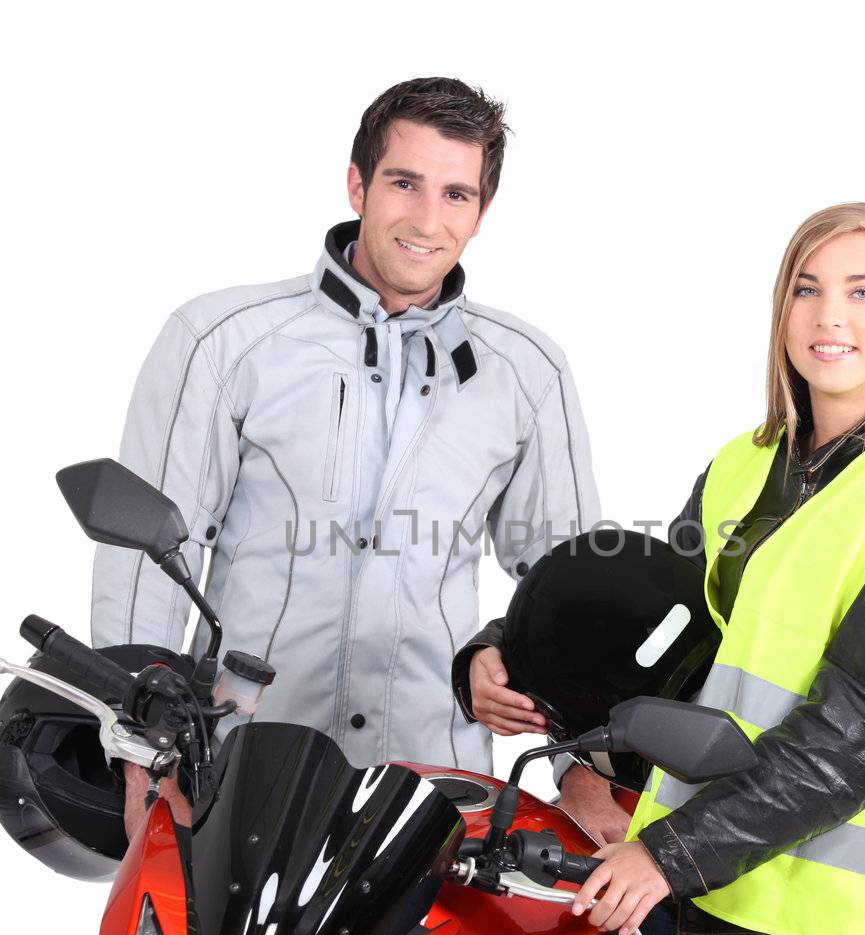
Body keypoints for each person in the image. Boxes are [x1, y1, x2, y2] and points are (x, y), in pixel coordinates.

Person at [461, 203, 865, 935]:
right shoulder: (745, 463)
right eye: (806, 288)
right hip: (698, 894)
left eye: (862, 291)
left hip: (818, 912)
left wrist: (668, 853)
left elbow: (860, 736)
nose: (828, 314)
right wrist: (504, 649)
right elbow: (646, 619)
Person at [92, 78, 602, 827]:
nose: (429, 219)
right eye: (405, 183)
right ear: (358, 182)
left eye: (457, 194)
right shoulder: (224, 342)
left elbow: (568, 589)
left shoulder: (527, 372)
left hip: (432, 793)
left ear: (482, 212)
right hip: (236, 774)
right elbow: (147, 560)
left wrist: (580, 771)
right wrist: (141, 754)